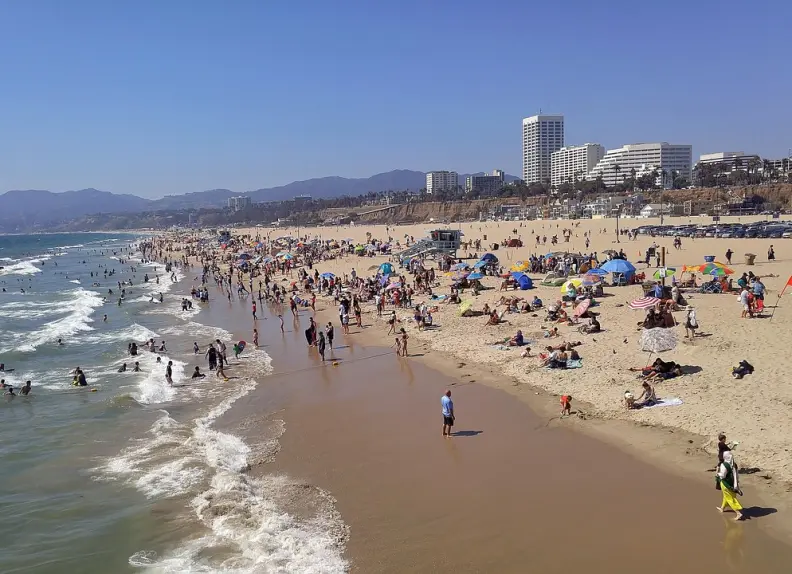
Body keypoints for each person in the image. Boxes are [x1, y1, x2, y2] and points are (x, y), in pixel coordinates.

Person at [717, 451, 744, 521]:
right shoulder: (734, 464)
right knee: (726, 496)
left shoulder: (724, 465)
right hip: (733, 483)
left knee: (730, 498)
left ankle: (738, 513)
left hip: (726, 484)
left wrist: (718, 474)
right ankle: (722, 508)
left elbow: (722, 476)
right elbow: (736, 475)